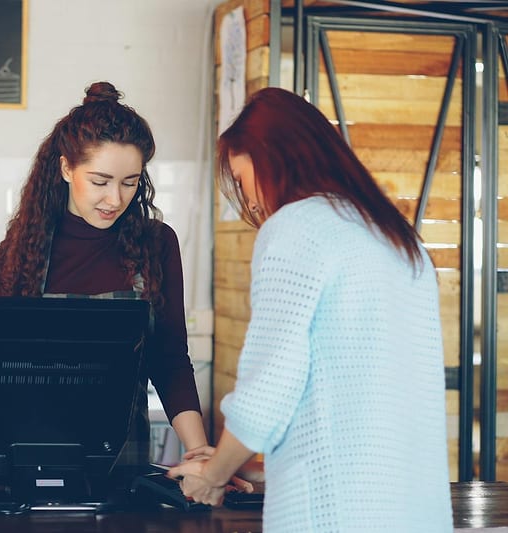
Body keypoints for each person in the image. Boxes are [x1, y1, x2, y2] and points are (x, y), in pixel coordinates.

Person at [169, 87, 453, 531]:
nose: (254, 203)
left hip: (335, 510)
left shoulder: (295, 229)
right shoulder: (397, 239)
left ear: (273, 160)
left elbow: (269, 388)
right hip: (416, 508)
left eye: (244, 182)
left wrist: (213, 474)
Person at [0, 81, 209, 471]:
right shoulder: (23, 249)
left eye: (130, 183)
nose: (115, 199)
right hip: (26, 457)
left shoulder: (156, 244)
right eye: (100, 182)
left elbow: (169, 359)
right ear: (67, 168)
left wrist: (200, 453)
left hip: (122, 459)